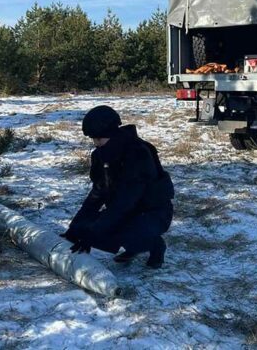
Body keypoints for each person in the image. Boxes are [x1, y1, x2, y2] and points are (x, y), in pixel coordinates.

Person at [61, 106, 174, 268]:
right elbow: (97, 193)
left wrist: (94, 233)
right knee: (83, 228)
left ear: (112, 134)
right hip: (123, 210)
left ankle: (155, 245)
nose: (96, 144)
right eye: (93, 139)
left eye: (99, 139)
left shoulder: (138, 153)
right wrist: (75, 228)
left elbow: (126, 200)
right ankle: (131, 243)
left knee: (129, 234)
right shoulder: (100, 155)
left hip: (152, 212)